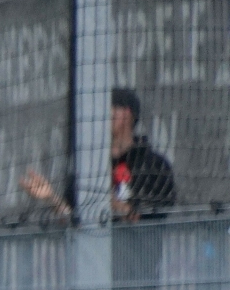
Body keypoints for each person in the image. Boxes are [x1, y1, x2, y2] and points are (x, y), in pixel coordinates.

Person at [20, 87, 176, 224]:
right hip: (92, 249)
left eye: (108, 108)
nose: (101, 116)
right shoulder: (87, 165)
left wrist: (106, 199)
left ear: (127, 114)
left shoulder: (154, 165)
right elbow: (72, 219)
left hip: (136, 248)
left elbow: (148, 219)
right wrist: (51, 198)